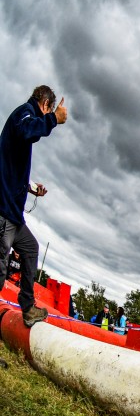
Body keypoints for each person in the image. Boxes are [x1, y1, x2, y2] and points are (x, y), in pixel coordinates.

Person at [0, 85, 67, 327]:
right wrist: (54, 120)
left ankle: (27, 308)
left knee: (30, 249)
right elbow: (28, 130)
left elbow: (11, 166)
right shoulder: (25, 112)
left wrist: (30, 187)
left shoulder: (24, 117)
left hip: (14, 216)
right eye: (48, 109)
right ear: (45, 103)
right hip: (3, 211)